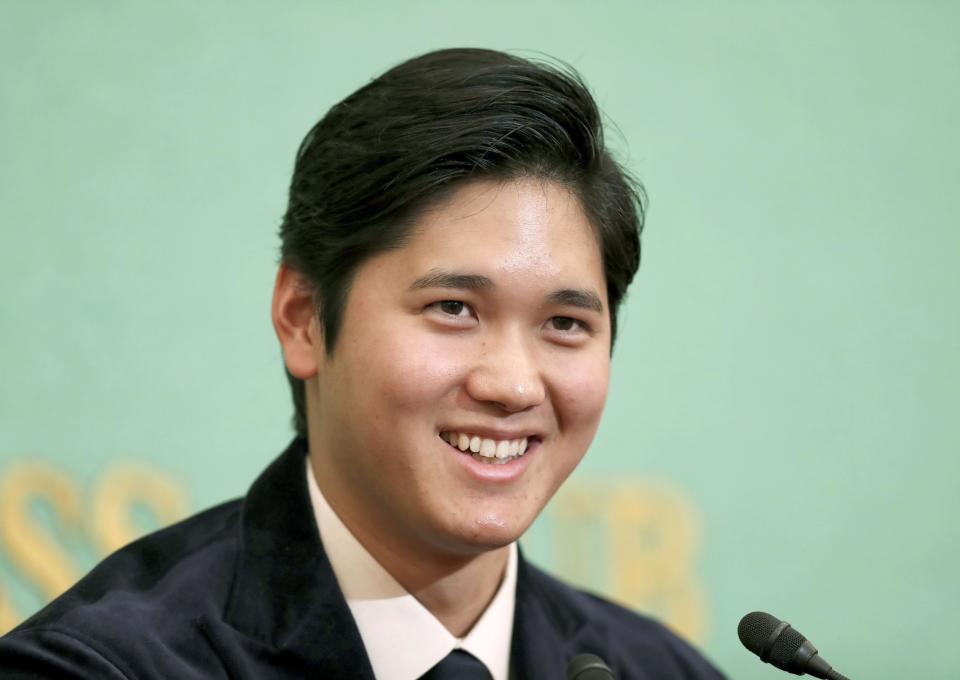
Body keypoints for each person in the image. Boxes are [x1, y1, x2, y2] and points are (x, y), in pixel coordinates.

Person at [0, 48, 725, 679]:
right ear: (302, 319)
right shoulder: (105, 665)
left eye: (564, 324)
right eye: (453, 309)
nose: (510, 384)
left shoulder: (657, 668)